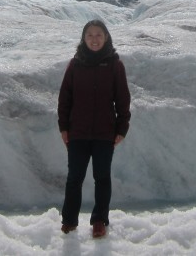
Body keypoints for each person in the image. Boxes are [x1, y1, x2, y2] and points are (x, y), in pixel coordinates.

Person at [57, 19, 131, 238]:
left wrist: (121, 128)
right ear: (83, 38)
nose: (94, 39)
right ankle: (69, 220)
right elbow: (64, 99)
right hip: (78, 132)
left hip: (104, 133)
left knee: (102, 178)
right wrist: (63, 127)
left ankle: (99, 220)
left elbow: (123, 99)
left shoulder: (115, 65)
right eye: (90, 35)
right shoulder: (75, 64)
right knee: (74, 178)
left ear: (106, 37)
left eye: (99, 34)